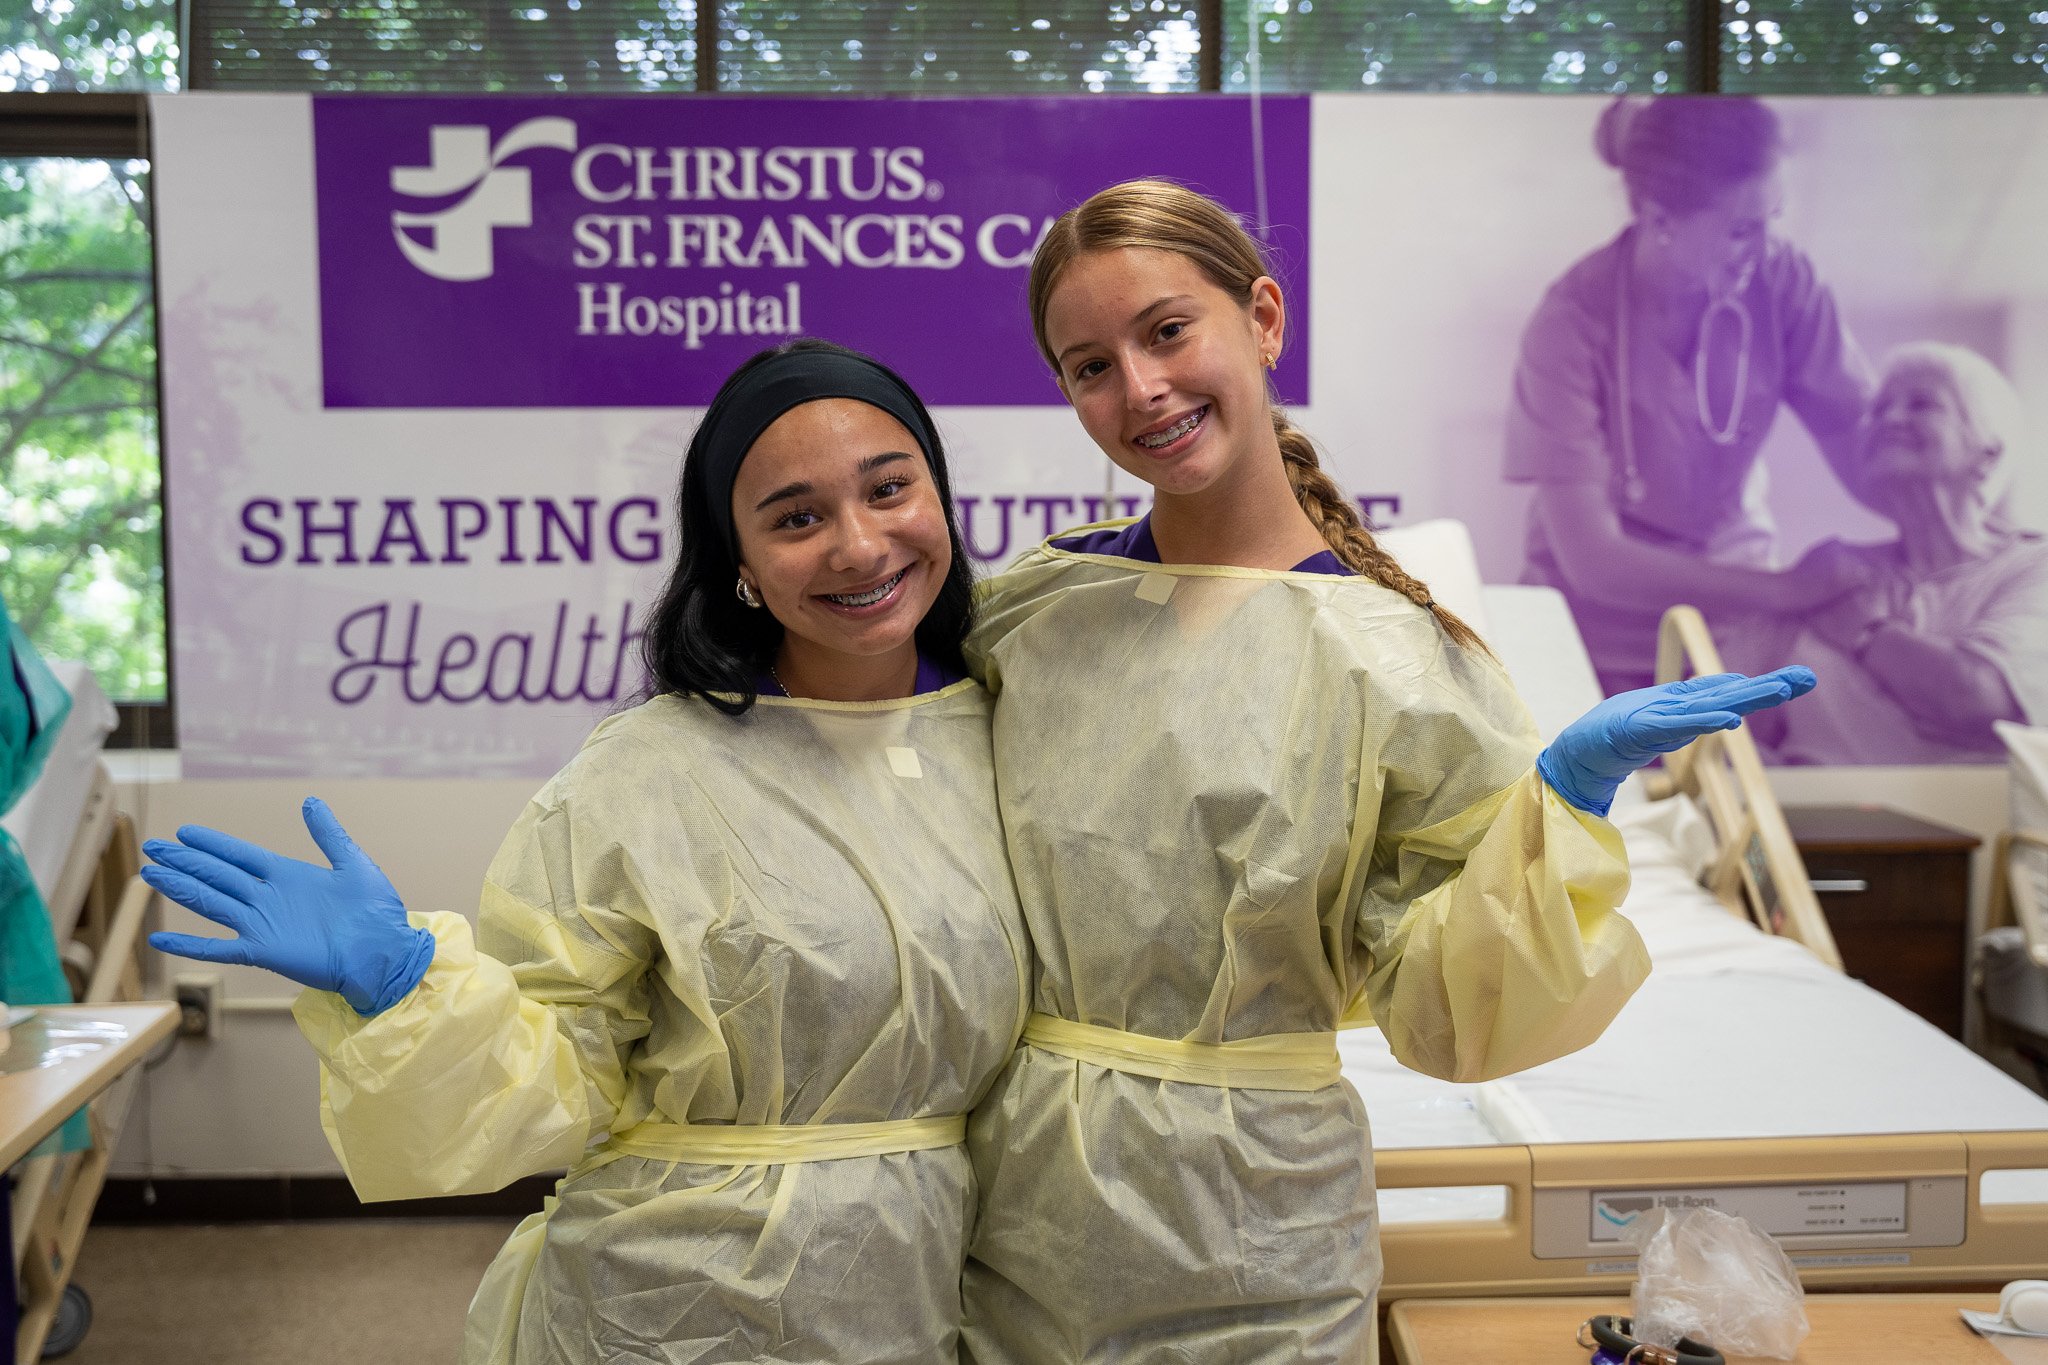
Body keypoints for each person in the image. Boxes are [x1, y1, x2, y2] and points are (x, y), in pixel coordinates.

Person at [957, 178, 1815, 1364]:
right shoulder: (1030, 616)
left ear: (1261, 318)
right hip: (1017, 1223)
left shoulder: (1393, 663)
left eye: (1166, 332)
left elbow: (1448, 1011)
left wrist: (1556, 808)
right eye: (1086, 365)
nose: (1137, 389)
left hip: (1253, 1233)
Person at [141, 339, 1031, 1364]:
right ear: (736, 562)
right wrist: (407, 990)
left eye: (888, 489)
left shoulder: (1012, 736)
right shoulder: (648, 775)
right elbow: (558, 1076)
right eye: (795, 517)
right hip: (676, 1308)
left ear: (941, 497)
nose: (859, 545)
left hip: (928, 1294)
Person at [1506, 94, 1876, 695]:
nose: (1763, 250)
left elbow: (1864, 446)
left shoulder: (1784, 282)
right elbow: (1594, 560)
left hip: (1733, 625)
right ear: (1658, 220)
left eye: (1772, 219)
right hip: (1591, 633)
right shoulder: (1570, 322)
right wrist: (1787, 590)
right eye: (1739, 231)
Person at [1741, 343, 2048, 764]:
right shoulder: (1827, 573)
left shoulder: (2032, 567)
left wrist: (1868, 632)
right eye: (1879, 409)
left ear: (1987, 454)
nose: (1889, 419)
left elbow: (1977, 699)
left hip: (1968, 826)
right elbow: (1735, 726)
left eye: (1921, 404)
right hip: (1802, 822)